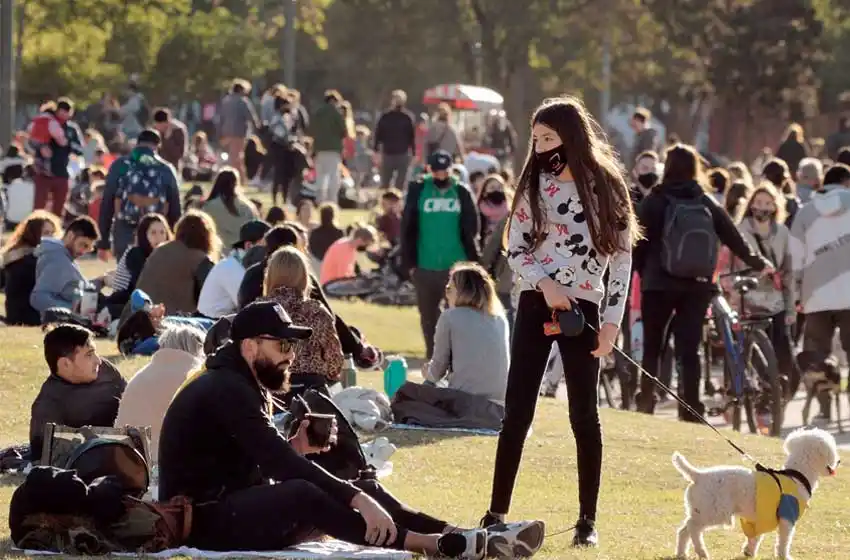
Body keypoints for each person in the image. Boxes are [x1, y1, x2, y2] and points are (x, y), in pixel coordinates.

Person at [159, 301, 545, 557]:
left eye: (292, 348)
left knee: (349, 479)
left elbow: (252, 458)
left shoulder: (239, 380)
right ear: (250, 347)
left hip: (231, 504)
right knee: (305, 491)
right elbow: (276, 466)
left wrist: (303, 452)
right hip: (204, 521)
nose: (290, 358)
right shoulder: (225, 387)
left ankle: (457, 534)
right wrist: (356, 501)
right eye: (282, 347)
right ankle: (428, 544)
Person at [479, 96, 640, 548]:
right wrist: (542, 283)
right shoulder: (533, 183)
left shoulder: (607, 185)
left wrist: (611, 323)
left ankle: (587, 519)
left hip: (585, 310)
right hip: (535, 303)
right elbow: (516, 247)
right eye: (536, 139)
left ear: (572, 136)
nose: (542, 147)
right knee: (518, 411)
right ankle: (496, 511)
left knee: (584, 415)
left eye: (549, 138)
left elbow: (622, 259)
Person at [632, 144, 772, 420]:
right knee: (689, 348)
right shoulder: (705, 200)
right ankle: (691, 407)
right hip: (697, 285)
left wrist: (641, 271)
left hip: (658, 284)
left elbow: (638, 243)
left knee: (653, 347)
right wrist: (758, 262)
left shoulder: (655, 200)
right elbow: (733, 236)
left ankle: (646, 402)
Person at [238, 226, 382, 371]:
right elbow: (331, 324)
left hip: (263, 372)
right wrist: (356, 347)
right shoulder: (314, 308)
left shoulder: (254, 292)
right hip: (308, 378)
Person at [721, 182, 798, 397]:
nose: (762, 207)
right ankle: (756, 395)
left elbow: (788, 272)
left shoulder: (782, 233)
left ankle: (778, 399)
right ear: (750, 204)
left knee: (785, 359)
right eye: (758, 202)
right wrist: (733, 290)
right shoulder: (738, 231)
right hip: (747, 300)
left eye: (767, 203)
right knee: (752, 356)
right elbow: (726, 267)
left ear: (775, 206)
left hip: (776, 302)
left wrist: (791, 308)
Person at [401, 150, 480, 359]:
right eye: (436, 171)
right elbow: (407, 225)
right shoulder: (418, 190)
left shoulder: (461, 191)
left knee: (458, 315)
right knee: (428, 316)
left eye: (444, 171)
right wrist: (409, 262)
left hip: (455, 265)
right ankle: (433, 357)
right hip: (425, 265)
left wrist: (472, 259)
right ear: (429, 170)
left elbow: (472, 225)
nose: (441, 176)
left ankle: (455, 357)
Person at [789, 163, 850, 419]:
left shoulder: (805, 213)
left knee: (818, 355)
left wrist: (795, 295)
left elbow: (795, 257)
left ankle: (824, 409)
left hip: (815, 295)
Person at [29, 324, 126, 462]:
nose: (98, 361)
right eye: (89, 354)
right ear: (65, 364)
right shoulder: (47, 406)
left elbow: (133, 402)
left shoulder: (106, 371)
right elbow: (45, 460)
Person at [114, 325, 205, 463]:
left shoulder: (140, 376)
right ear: (199, 348)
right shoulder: (197, 376)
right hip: (175, 467)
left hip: (130, 463)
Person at [423, 262, 509, 403]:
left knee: (425, 388)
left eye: (449, 289)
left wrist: (428, 373)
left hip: (464, 404)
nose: (447, 295)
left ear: (464, 291)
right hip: (500, 405)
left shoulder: (450, 317)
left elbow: (437, 371)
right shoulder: (500, 319)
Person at [261, 246, 344, 388]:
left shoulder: (258, 311)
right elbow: (335, 362)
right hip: (311, 392)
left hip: (269, 392)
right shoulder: (317, 312)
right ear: (304, 277)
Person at [98, 129, 181, 262]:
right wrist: (176, 240)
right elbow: (175, 208)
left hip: (124, 230)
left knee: (126, 274)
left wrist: (104, 241)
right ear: (158, 145)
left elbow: (107, 203)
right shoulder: (166, 168)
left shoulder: (120, 165)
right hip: (156, 233)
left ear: (137, 144)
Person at [134, 210, 220, 316]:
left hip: (138, 320)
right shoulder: (200, 260)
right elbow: (214, 298)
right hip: (174, 324)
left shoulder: (160, 251)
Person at [30, 216, 102, 316]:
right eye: (83, 245)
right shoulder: (58, 259)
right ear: (71, 236)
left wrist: (101, 281)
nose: (83, 252)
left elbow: (72, 285)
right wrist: (73, 310)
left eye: (88, 248)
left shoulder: (64, 256)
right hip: (65, 323)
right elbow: (38, 297)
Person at [198, 220, 270, 319]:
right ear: (249, 245)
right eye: (265, 245)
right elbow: (249, 307)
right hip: (210, 325)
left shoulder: (235, 264)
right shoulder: (231, 268)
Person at [0, 211, 61, 325]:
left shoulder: (14, 256)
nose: (51, 238)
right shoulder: (31, 259)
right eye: (46, 233)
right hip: (31, 317)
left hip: (16, 317)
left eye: (53, 233)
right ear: (34, 234)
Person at [104, 213, 172, 315]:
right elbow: (140, 288)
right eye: (153, 233)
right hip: (125, 306)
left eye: (162, 232)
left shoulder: (163, 255)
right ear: (144, 235)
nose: (159, 237)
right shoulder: (136, 254)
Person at [31, 98, 84, 216]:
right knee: (39, 207)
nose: (63, 114)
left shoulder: (71, 129)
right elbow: (32, 140)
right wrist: (41, 147)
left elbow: (80, 150)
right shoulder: (46, 122)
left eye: (67, 111)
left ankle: (56, 231)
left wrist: (67, 143)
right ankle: (35, 231)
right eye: (61, 111)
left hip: (62, 172)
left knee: (58, 208)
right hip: (43, 172)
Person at [202, 167, 260, 250]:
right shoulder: (248, 207)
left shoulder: (209, 206)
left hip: (218, 253)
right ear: (236, 184)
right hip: (243, 254)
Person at [218, 78, 260, 183]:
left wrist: (220, 133)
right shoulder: (243, 101)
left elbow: (220, 117)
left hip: (226, 132)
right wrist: (258, 128)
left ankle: (240, 179)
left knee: (233, 156)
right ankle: (239, 179)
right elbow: (251, 117)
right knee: (236, 157)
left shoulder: (226, 101)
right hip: (239, 133)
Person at [373, 90, 416, 190]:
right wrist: (376, 151)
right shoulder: (385, 116)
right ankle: (384, 202)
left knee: (400, 183)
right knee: (385, 182)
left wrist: (413, 153)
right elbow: (378, 134)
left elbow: (411, 136)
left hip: (402, 153)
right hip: (388, 153)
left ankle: (398, 203)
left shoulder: (407, 117)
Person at [312, 90, 348, 204]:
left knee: (320, 177)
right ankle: (332, 200)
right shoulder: (335, 113)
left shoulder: (318, 113)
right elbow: (343, 130)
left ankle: (319, 199)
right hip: (333, 149)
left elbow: (311, 129)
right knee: (333, 176)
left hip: (319, 149)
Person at [628, 107, 659, 172]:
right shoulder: (639, 136)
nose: (634, 127)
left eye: (635, 124)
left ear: (641, 122)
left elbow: (648, 155)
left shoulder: (649, 135)